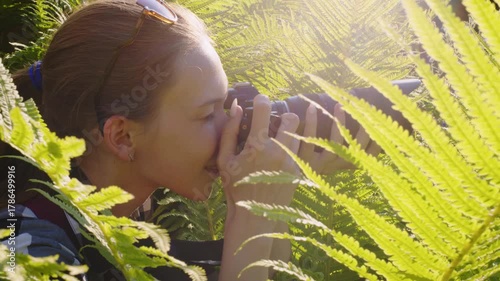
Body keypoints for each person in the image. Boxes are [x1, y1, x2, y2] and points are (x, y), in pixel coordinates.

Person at [0, 0, 378, 280]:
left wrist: (267, 200)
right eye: (207, 113)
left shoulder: (131, 208)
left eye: (227, 103)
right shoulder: (26, 251)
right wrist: (253, 216)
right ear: (123, 136)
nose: (232, 123)